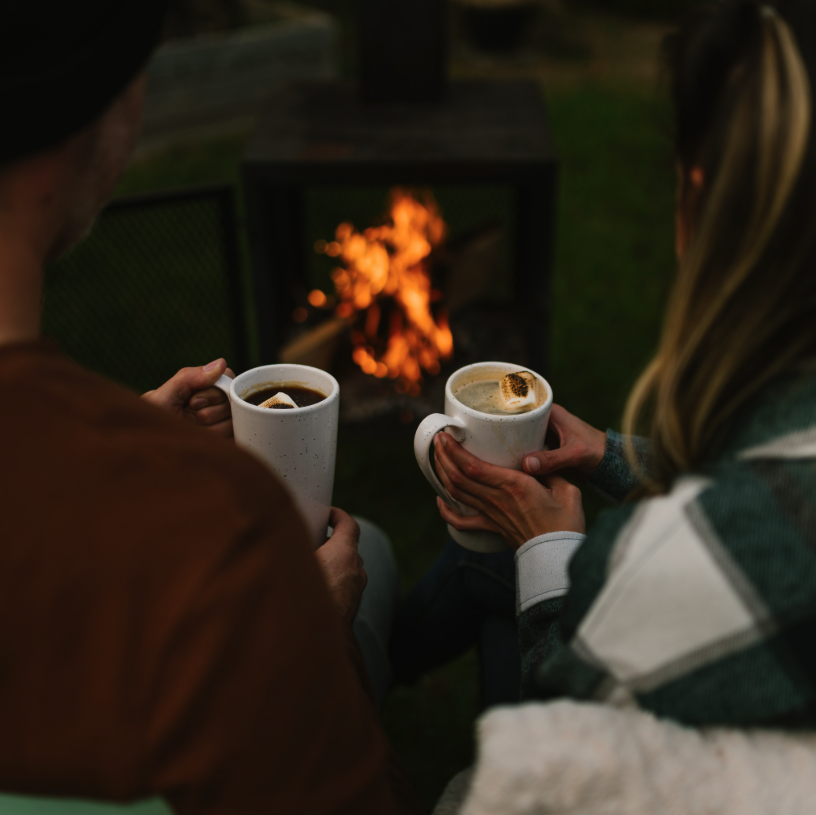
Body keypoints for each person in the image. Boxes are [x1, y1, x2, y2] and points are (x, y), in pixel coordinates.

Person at [0, 2, 421, 812]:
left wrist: (110, 454)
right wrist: (317, 629)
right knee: (380, 566)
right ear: (97, 108)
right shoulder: (219, 529)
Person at [405, 0, 816, 729]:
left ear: (695, 198)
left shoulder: (730, 545)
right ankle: (365, 663)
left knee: (494, 576)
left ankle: (351, 663)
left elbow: (581, 726)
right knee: (491, 576)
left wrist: (548, 545)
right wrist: (610, 457)